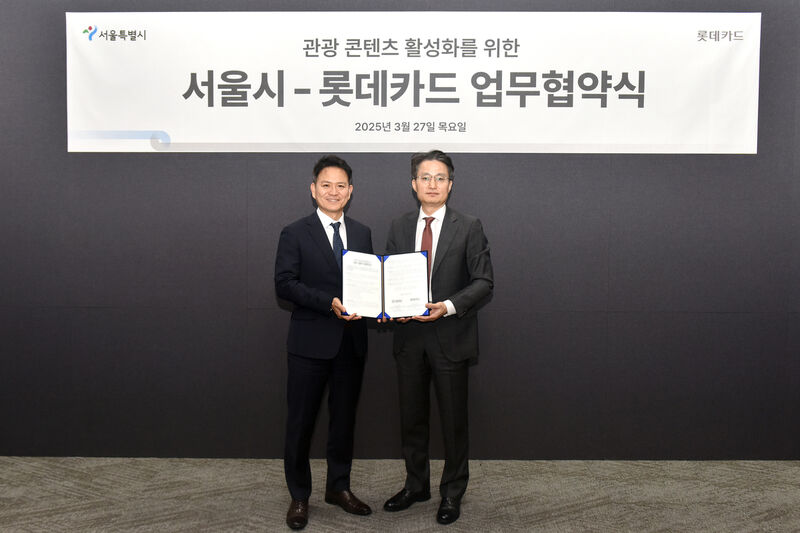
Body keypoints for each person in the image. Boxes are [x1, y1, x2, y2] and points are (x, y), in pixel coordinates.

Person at [382, 150, 493, 525]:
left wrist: (447, 306)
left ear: (450, 184)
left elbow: (484, 281)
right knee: (411, 419)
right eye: (425, 177)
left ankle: (452, 492)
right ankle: (416, 485)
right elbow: (389, 276)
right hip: (409, 338)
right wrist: (388, 303)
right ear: (414, 184)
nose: (432, 184)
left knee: (453, 422)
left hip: (450, 336)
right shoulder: (399, 225)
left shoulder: (470, 226)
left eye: (440, 178)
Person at [274, 155, 373, 530]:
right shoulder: (294, 232)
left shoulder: (362, 232)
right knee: (300, 423)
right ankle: (299, 495)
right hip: (309, 344)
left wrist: (380, 305)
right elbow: (285, 284)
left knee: (343, 422)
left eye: (341, 185)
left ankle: (339, 487)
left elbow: (369, 282)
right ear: (313, 189)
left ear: (350, 191)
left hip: (351, 343)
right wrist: (327, 302)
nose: (334, 191)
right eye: (326, 185)